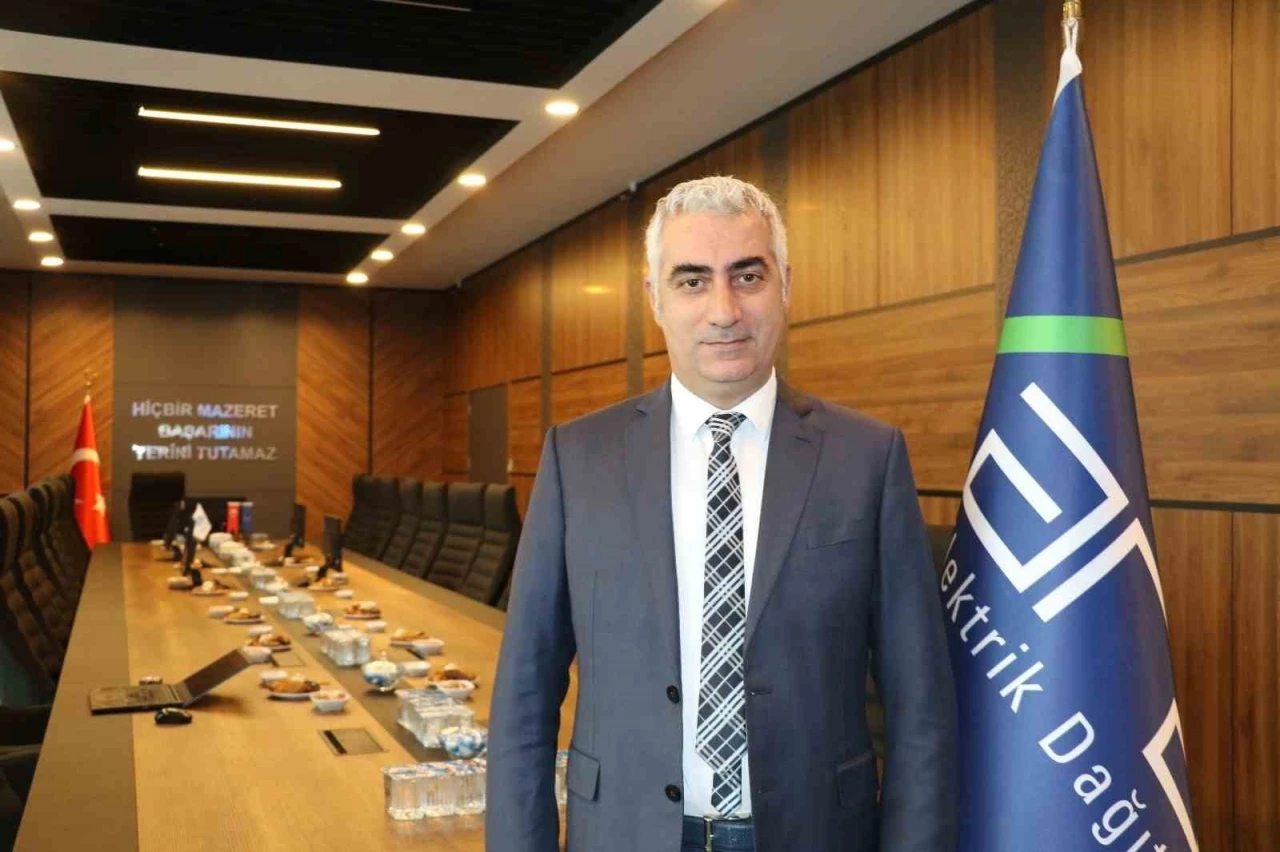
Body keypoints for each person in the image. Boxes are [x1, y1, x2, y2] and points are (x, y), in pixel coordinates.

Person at [487, 176, 956, 852]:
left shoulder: (867, 458)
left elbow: (921, 705)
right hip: (625, 833)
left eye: (748, 276)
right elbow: (525, 692)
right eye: (692, 280)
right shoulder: (578, 459)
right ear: (654, 298)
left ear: (785, 285)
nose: (724, 310)